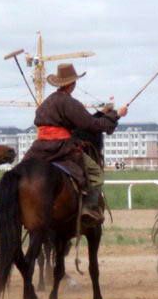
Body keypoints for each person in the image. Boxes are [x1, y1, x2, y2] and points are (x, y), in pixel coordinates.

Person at [23, 63, 127, 225]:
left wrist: (103, 113)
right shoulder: (69, 103)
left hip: (38, 148)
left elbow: (81, 120)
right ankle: (89, 208)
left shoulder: (47, 102)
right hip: (60, 148)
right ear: (73, 83)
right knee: (96, 174)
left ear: (59, 83)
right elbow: (92, 125)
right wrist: (116, 115)